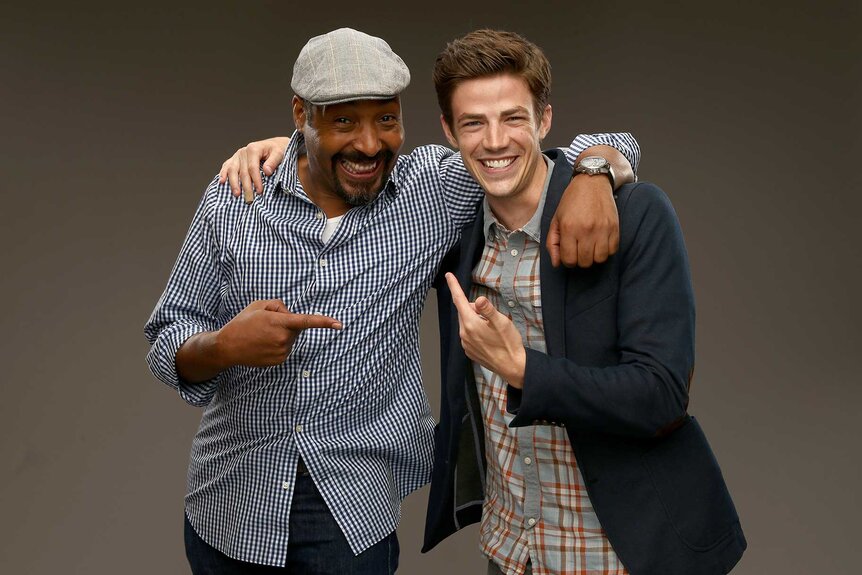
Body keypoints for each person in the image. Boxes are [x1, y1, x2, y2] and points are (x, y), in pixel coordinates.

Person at [146, 28, 639, 574]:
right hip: (228, 508)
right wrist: (221, 347)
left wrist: (592, 175)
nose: (368, 143)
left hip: (353, 512)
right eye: (342, 122)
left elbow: (539, 154)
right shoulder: (237, 196)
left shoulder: (430, 189)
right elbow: (166, 335)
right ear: (300, 115)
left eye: (385, 119)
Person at [417, 30, 745, 574]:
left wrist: (523, 369)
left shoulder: (635, 214)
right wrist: (281, 150)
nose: (495, 141)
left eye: (514, 118)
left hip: (619, 553)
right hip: (511, 550)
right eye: (474, 123)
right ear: (450, 131)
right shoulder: (451, 227)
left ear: (545, 120)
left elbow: (662, 395)